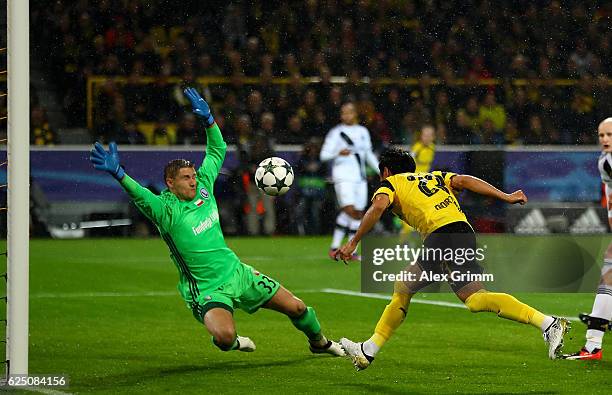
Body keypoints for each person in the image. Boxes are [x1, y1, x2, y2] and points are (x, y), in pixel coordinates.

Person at [89, 87, 343, 357]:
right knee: (224, 337)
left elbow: (217, 149)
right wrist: (119, 174)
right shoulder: (165, 210)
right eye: (186, 177)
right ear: (170, 183)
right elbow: (141, 196)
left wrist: (209, 120)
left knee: (298, 308)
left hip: (238, 273)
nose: (193, 180)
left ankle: (320, 343)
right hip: (207, 289)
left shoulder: (204, 186)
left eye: (193, 175)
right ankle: (235, 342)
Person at [334, 147, 570, 370]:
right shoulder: (434, 177)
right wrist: (505, 196)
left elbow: (377, 207)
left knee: (404, 286)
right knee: (476, 299)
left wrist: (353, 242)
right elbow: (465, 180)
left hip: (442, 234)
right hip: (463, 231)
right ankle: (547, 323)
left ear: (385, 171)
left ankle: (368, 350)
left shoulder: (390, 183)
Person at [563, 118, 612, 360]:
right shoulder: (606, 162)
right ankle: (593, 344)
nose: (604, 139)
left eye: (610, 135)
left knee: (608, 282)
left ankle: (593, 344)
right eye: (601, 135)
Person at [320, 102, 379, 260]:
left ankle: (345, 250)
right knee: (350, 211)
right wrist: (337, 152)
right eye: (344, 113)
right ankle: (339, 248)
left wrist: (381, 171)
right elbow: (324, 155)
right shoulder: (336, 133)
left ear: (355, 114)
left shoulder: (363, 131)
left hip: (360, 178)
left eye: (349, 112)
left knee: (359, 214)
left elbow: (368, 155)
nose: (346, 115)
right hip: (343, 176)